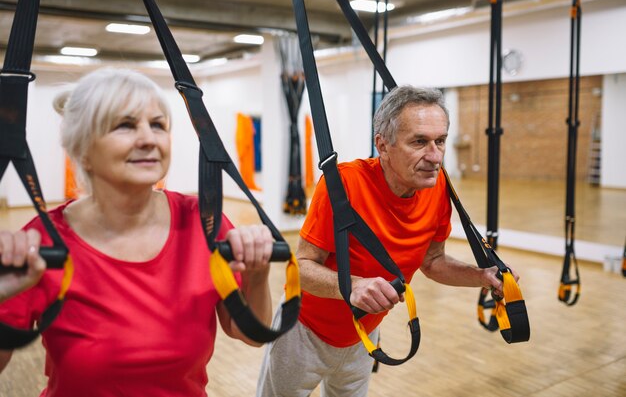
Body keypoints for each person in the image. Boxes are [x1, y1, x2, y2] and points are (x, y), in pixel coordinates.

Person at [0, 68, 274, 397]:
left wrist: (257, 277)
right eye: (125, 125)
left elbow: (251, 334)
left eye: (157, 124)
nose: (148, 139)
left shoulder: (203, 222)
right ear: (83, 151)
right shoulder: (43, 242)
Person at [256, 85, 518, 397]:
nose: (435, 156)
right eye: (419, 142)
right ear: (383, 144)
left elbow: (432, 262)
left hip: (363, 334)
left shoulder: (438, 190)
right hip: (304, 332)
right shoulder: (344, 185)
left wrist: (481, 277)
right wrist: (353, 285)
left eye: (440, 141)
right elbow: (301, 268)